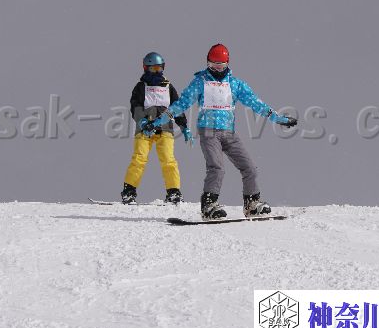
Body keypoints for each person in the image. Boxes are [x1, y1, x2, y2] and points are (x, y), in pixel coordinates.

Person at [139, 44, 297, 219]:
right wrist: (157, 122)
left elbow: (255, 103)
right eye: (213, 66)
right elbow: (180, 105)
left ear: (227, 64)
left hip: (229, 133)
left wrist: (278, 119)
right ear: (207, 63)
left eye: (221, 66)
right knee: (217, 167)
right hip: (209, 132)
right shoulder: (200, 82)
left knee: (250, 168)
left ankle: (252, 203)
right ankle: (209, 205)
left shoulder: (235, 84)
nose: (217, 70)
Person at [120, 52, 193, 204]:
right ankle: (129, 191)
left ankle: (173, 192)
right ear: (146, 68)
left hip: (165, 129)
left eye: (159, 68)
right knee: (139, 158)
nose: (157, 72)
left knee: (168, 160)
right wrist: (142, 121)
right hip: (144, 129)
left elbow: (176, 107)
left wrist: (184, 126)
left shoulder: (168, 87)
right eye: (153, 69)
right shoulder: (141, 87)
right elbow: (135, 106)